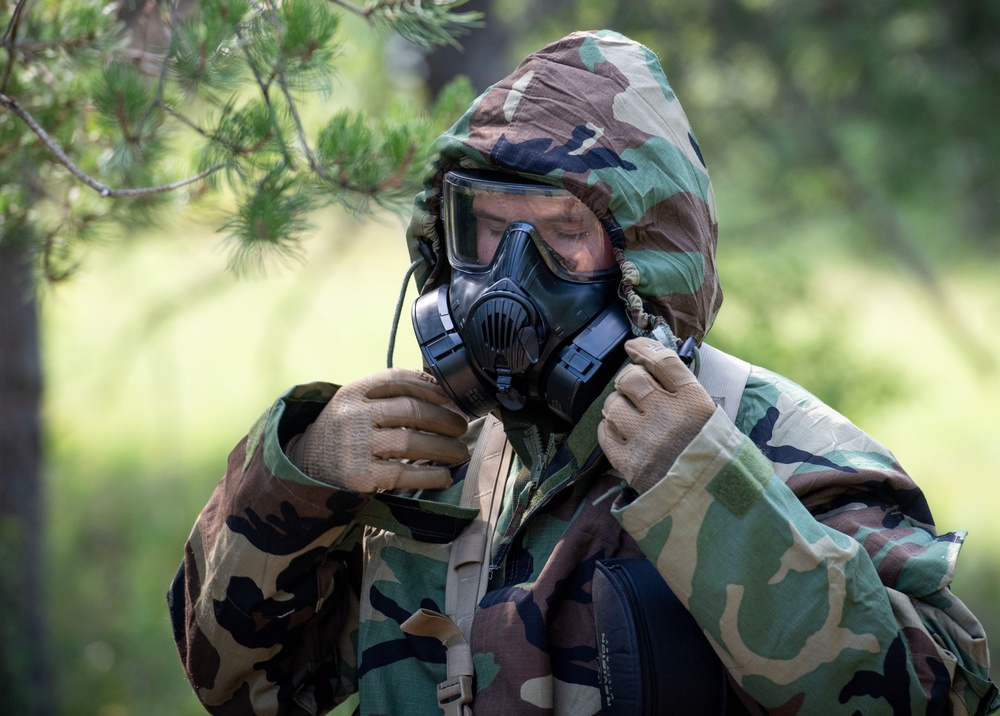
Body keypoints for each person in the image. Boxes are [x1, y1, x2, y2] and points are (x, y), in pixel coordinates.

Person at [168, 30, 998, 715]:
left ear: (644, 256)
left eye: (564, 232)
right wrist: (299, 474)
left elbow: (943, 699)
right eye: (486, 227)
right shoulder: (417, 455)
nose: (509, 276)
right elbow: (234, 683)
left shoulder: (780, 451)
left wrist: (708, 494)